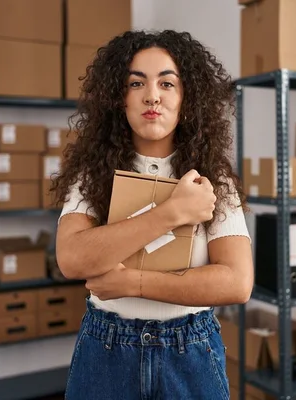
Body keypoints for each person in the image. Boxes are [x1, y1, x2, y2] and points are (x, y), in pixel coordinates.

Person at [51, 29, 253, 400]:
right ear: (119, 98)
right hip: (107, 349)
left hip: (190, 351)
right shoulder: (92, 173)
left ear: (187, 98)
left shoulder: (213, 176)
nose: (152, 96)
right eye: (136, 82)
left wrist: (133, 284)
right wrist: (172, 212)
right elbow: (72, 258)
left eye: (167, 83)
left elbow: (237, 282)